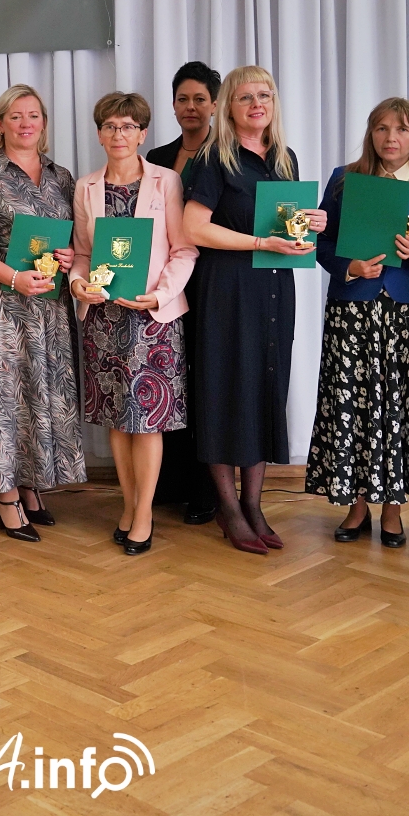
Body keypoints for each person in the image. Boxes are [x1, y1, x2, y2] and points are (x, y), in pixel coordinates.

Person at [182, 66, 326, 555]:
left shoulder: (285, 158)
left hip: (274, 291)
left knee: (265, 387)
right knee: (226, 393)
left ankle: (254, 504)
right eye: (245, 97)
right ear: (228, 106)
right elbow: (193, 228)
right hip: (227, 290)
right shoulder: (212, 158)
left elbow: (291, 229)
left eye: (264, 94)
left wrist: (313, 222)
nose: (256, 104)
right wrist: (261, 241)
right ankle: (228, 507)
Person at [305, 98, 409, 548]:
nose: (392, 138)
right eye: (382, 128)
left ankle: (393, 509)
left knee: (405, 407)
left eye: (402, 129)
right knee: (353, 404)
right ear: (371, 133)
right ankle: (356, 506)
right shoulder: (343, 179)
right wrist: (350, 267)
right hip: (354, 308)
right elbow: (321, 243)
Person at [0, 84, 82, 543]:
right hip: (1, 307)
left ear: (43, 124)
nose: (25, 123)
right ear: (0, 123)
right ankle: (5, 495)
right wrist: (13, 278)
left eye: (33, 115)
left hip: (48, 306)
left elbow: (74, 236)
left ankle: (30, 485)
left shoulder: (61, 177)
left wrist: (68, 257)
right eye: (15, 116)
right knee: (4, 400)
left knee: (38, 394)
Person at [70, 92, 197, 556]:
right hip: (103, 319)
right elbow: (82, 253)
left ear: (143, 133)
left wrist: (160, 295)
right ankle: (128, 505)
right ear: (99, 133)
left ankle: (144, 513)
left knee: (147, 422)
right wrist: (79, 284)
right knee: (116, 421)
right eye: (109, 126)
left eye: (128, 126)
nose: (118, 134)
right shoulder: (85, 187)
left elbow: (184, 249)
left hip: (153, 319)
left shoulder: (167, 182)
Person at [146, 61, 222, 523]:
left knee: (203, 386)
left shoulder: (227, 154)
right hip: (162, 288)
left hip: (211, 284)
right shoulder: (156, 154)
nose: (190, 107)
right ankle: (169, 481)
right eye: (182, 99)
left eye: (199, 99)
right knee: (169, 385)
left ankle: (206, 489)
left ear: (214, 104)